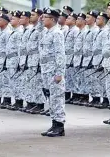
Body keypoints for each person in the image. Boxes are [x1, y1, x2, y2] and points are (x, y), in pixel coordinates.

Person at [39, 8, 66, 137]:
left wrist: (59, 73)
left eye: (45, 17)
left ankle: (60, 126)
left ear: (53, 19)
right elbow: (37, 32)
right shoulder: (46, 32)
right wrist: (39, 22)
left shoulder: (57, 33)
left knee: (57, 98)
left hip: (54, 71)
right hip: (46, 71)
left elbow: (60, 54)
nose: (42, 19)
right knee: (50, 98)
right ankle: (54, 123)